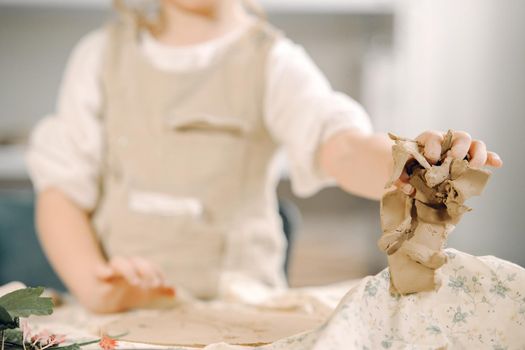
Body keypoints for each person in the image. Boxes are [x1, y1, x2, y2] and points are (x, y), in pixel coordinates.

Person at [26, 0, 502, 313]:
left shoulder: (272, 62)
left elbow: (340, 146)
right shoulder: (100, 57)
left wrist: (411, 162)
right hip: (119, 314)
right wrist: (97, 289)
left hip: (236, 310)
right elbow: (62, 192)